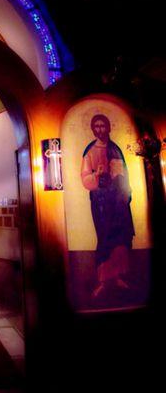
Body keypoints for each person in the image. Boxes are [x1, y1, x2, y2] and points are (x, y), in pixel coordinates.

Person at [80, 114, 134, 299]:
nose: (100, 129)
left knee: (120, 239)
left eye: (103, 125)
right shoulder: (90, 150)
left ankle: (117, 276)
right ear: (93, 129)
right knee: (104, 238)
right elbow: (85, 178)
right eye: (97, 126)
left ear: (109, 128)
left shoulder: (115, 149)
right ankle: (103, 280)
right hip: (101, 203)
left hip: (117, 202)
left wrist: (122, 188)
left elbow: (123, 175)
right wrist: (97, 176)